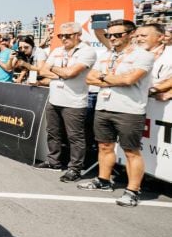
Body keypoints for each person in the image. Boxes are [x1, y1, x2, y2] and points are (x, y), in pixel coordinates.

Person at [80, 19, 154, 207]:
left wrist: (104, 77)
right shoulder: (106, 54)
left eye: (117, 35)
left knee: (131, 151)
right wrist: (113, 79)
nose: (112, 38)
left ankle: (133, 190)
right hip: (104, 106)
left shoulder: (142, 56)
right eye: (109, 35)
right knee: (105, 146)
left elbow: (129, 79)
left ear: (131, 34)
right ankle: (103, 180)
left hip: (129, 109)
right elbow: (89, 78)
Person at [36, 22, 97, 182]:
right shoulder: (57, 50)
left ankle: (74, 168)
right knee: (53, 132)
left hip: (74, 101)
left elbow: (71, 73)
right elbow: (42, 70)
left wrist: (55, 70)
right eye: (60, 35)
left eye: (67, 35)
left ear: (78, 35)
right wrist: (61, 73)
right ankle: (53, 161)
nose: (63, 38)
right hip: (55, 98)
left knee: (75, 137)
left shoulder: (87, 51)